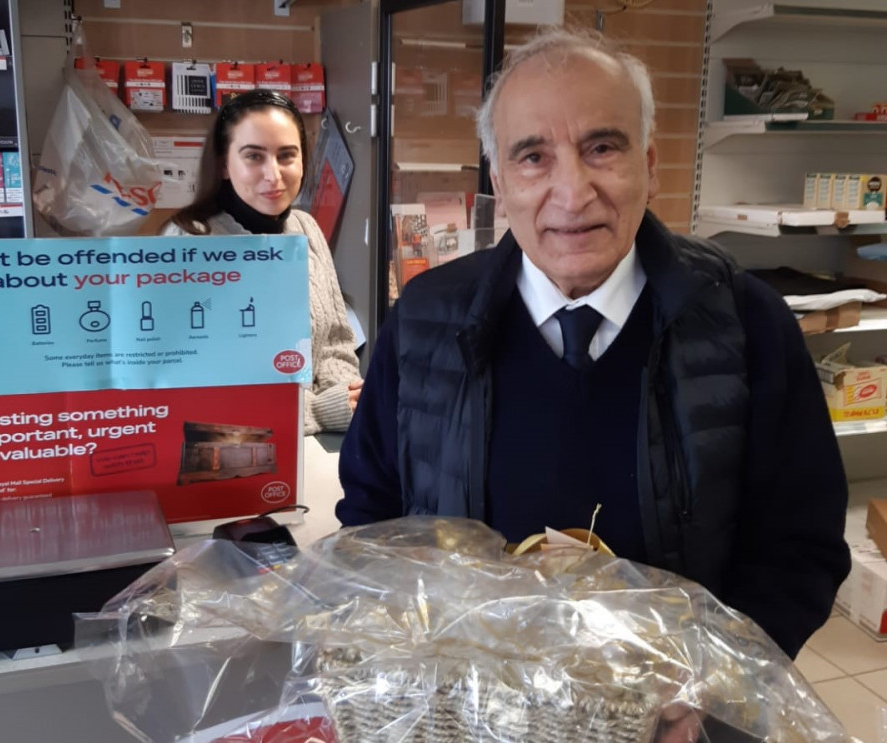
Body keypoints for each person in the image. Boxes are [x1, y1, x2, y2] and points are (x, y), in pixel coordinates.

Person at [336, 27, 850, 660]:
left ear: (651, 165)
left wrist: (712, 689)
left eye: (602, 147)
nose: (573, 193)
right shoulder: (425, 320)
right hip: (468, 708)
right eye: (533, 157)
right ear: (499, 178)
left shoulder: (747, 323)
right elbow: (372, 515)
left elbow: (799, 545)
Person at [161, 89, 362, 435]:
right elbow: (200, 389)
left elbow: (335, 343)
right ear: (224, 164)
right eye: (254, 156)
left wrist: (349, 398)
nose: (274, 174)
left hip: (317, 446)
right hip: (230, 454)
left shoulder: (305, 228)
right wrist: (322, 410)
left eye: (287, 156)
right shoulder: (187, 243)